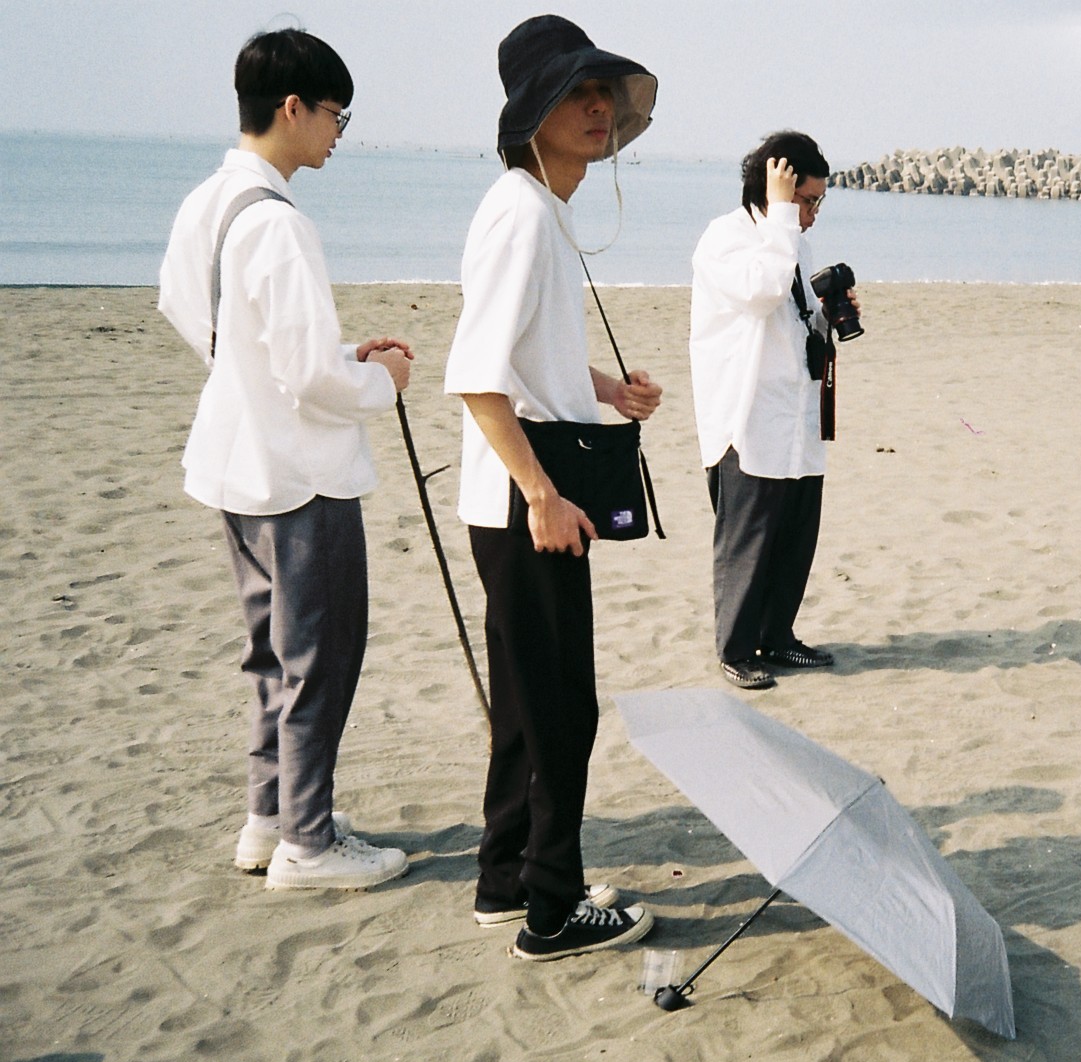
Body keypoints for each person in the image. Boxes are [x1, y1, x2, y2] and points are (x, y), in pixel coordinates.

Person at [158, 28, 413, 891]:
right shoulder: (278, 222)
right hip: (297, 476)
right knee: (322, 656)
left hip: (234, 464)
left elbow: (191, 311)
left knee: (273, 653)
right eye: (337, 113)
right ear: (293, 108)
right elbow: (305, 371)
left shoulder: (210, 200)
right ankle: (309, 841)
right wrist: (384, 382)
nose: (340, 131)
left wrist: (320, 366)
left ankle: (269, 817)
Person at [443, 14, 661, 960]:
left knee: (533, 702)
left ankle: (506, 880)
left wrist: (610, 390)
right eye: (577, 92)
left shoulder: (539, 209)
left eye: (603, 90)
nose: (599, 107)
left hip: (523, 492)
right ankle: (552, 909)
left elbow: (530, 361)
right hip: (525, 497)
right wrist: (540, 494)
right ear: (532, 113)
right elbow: (476, 375)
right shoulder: (524, 214)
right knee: (562, 703)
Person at [690, 131, 858, 690]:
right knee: (747, 539)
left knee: (794, 535)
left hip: (795, 416)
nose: (811, 215)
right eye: (807, 200)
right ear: (778, 185)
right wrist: (784, 214)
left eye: (817, 203)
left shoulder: (793, 243)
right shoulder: (726, 238)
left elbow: (790, 318)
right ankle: (736, 649)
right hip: (747, 416)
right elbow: (761, 293)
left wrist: (830, 315)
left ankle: (779, 637)